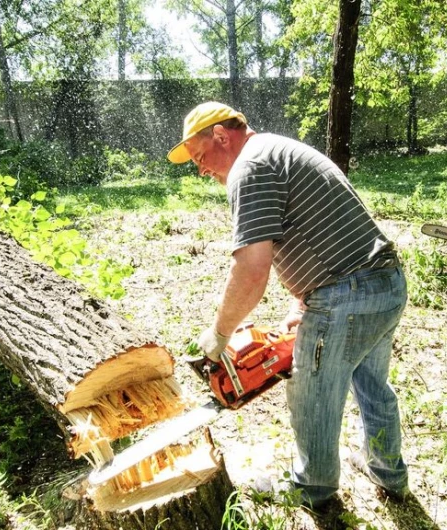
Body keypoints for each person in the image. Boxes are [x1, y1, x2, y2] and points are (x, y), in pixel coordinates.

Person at [168, 102, 409, 509]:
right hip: (383, 282)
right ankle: (389, 472)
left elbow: (251, 269)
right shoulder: (277, 151)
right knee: (372, 386)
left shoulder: (250, 167)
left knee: (310, 391)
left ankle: (313, 490)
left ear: (222, 136)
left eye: (201, 156)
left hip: (346, 293)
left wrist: (220, 333)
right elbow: (319, 227)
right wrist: (303, 301)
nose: (201, 169)